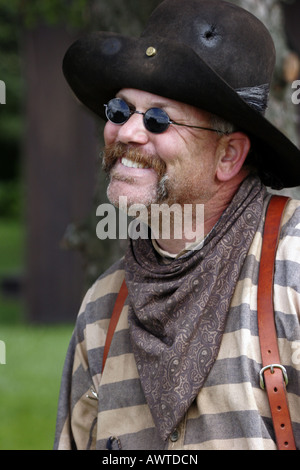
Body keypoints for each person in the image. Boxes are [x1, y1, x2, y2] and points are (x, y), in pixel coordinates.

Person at [54, 0, 300, 450]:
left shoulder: (292, 265)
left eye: (158, 119)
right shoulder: (102, 308)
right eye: (120, 110)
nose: (127, 132)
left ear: (228, 156)